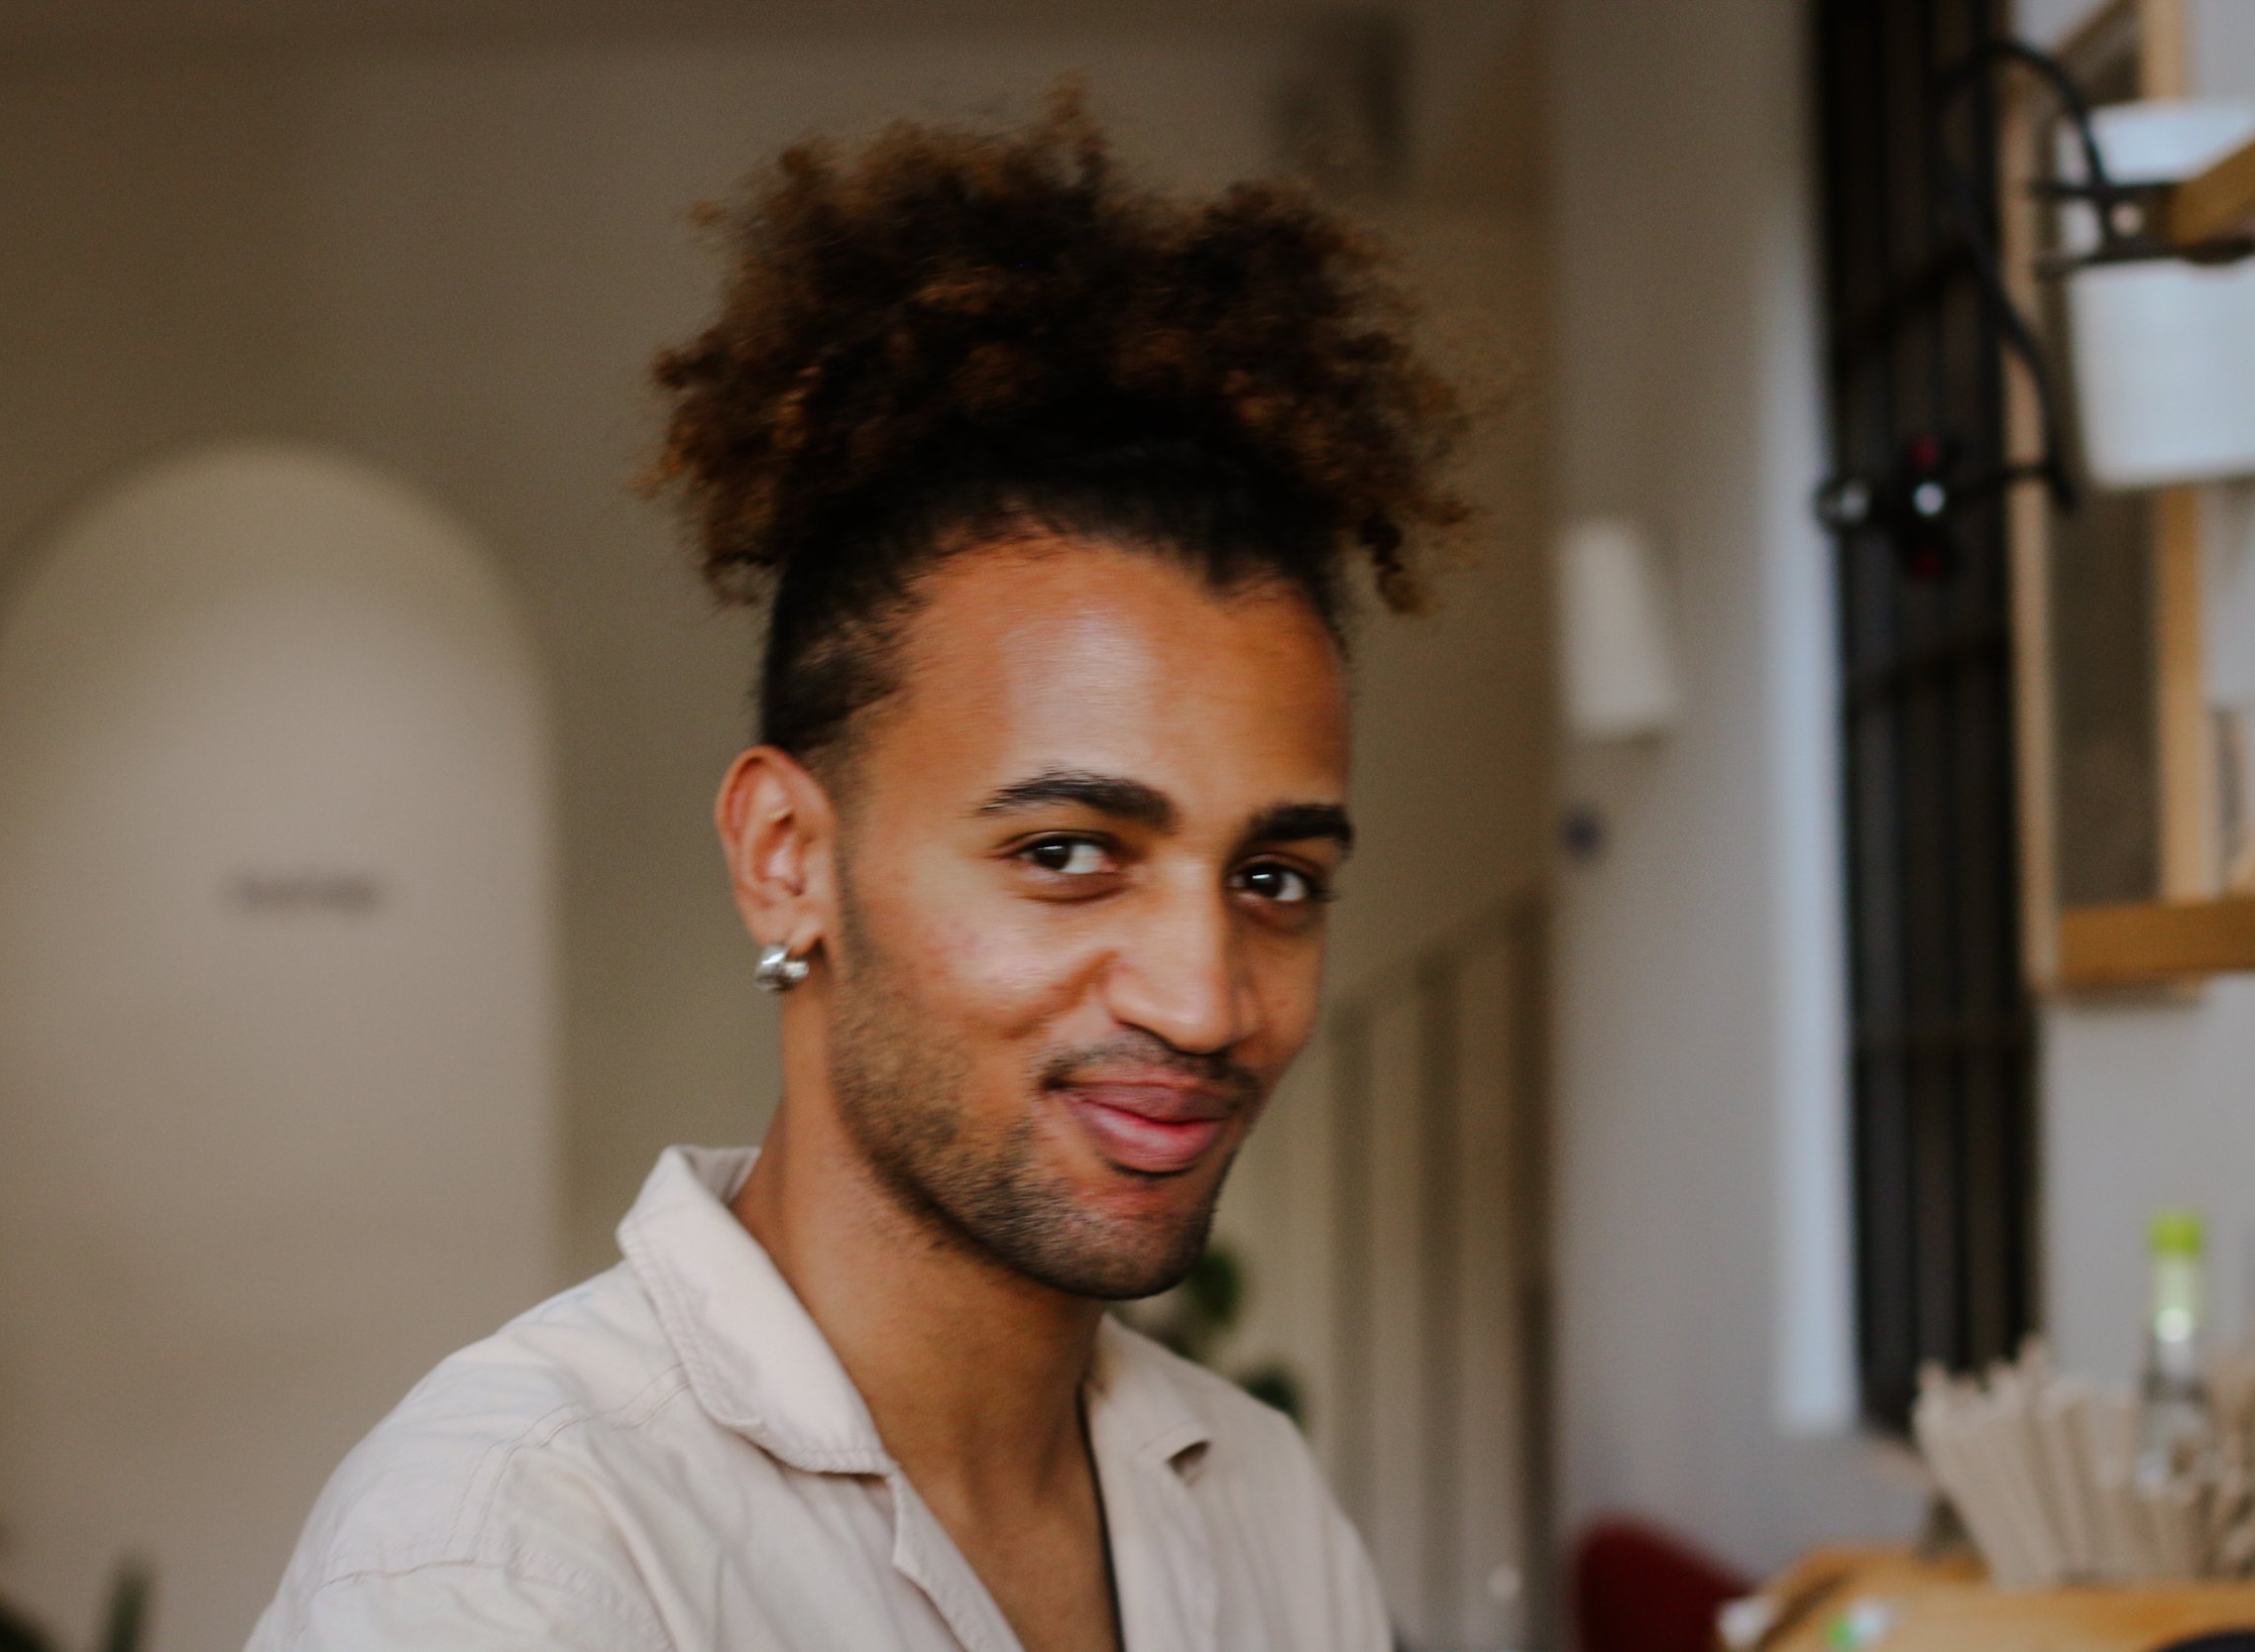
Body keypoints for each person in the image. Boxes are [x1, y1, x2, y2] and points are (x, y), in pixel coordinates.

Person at [248, 92, 1462, 1652]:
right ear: (786, 862)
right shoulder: (512, 1559)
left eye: (1276, 879)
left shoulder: (1257, 1501)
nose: (1207, 997)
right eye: (1069, 852)